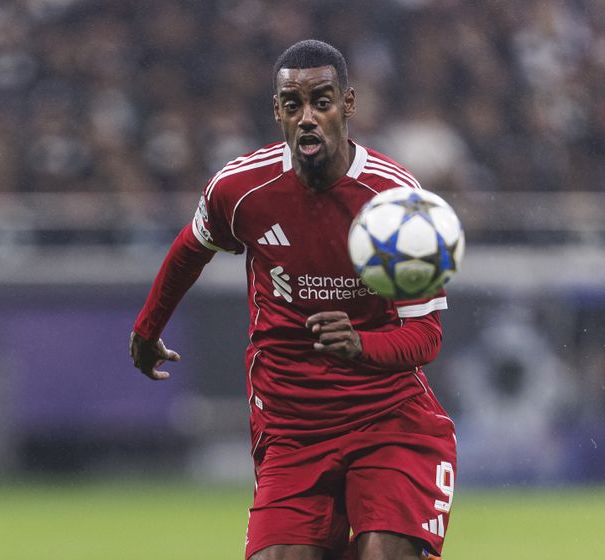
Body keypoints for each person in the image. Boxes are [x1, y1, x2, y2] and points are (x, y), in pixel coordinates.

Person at [129, 39, 456, 560]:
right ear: (276, 112)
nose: (308, 118)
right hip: (292, 429)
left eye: (321, 101)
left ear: (347, 105)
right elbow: (191, 250)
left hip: (388, 420)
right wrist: (146, 331)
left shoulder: (396, 202)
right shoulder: (239, 190)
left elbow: (427, 337)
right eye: (293, 105)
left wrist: (360, 345)